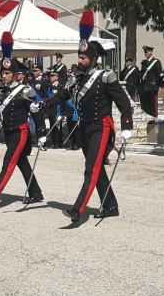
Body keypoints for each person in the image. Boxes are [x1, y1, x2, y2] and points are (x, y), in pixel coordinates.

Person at [55, 12, 133, 222]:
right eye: (79, 57)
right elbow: (62, 95)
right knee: (96, 169)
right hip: (84, 128)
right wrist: (39, 103)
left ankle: (78, 209)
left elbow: (124, 103)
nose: (79, 61)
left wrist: (127, 126)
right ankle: (110, 205)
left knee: (91, 169)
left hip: (101, 127)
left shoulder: (105, 76)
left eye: (83, 57)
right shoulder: (78, 77)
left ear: (93, 59)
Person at [0, 34, 44, 206]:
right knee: (22, 162)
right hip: (7, 131)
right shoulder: (2, 89)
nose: (4, 75)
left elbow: (36, 110)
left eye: (8, 73)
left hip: (20, 131)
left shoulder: (25, 90)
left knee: (8, 162)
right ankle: (36, 193)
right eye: (3, 72)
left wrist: (41, 133)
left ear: (16, 74)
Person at [139, 45, 162, 118]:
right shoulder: (144, 62)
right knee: (145, 107)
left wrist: (156, 86)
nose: (145, 53)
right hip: (144, 88)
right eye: (144, 52)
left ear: (151, 52)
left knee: (153, 106)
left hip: (152, 88)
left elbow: (160, 75)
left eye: (146, 51)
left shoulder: (156, 62)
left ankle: (154, 120)